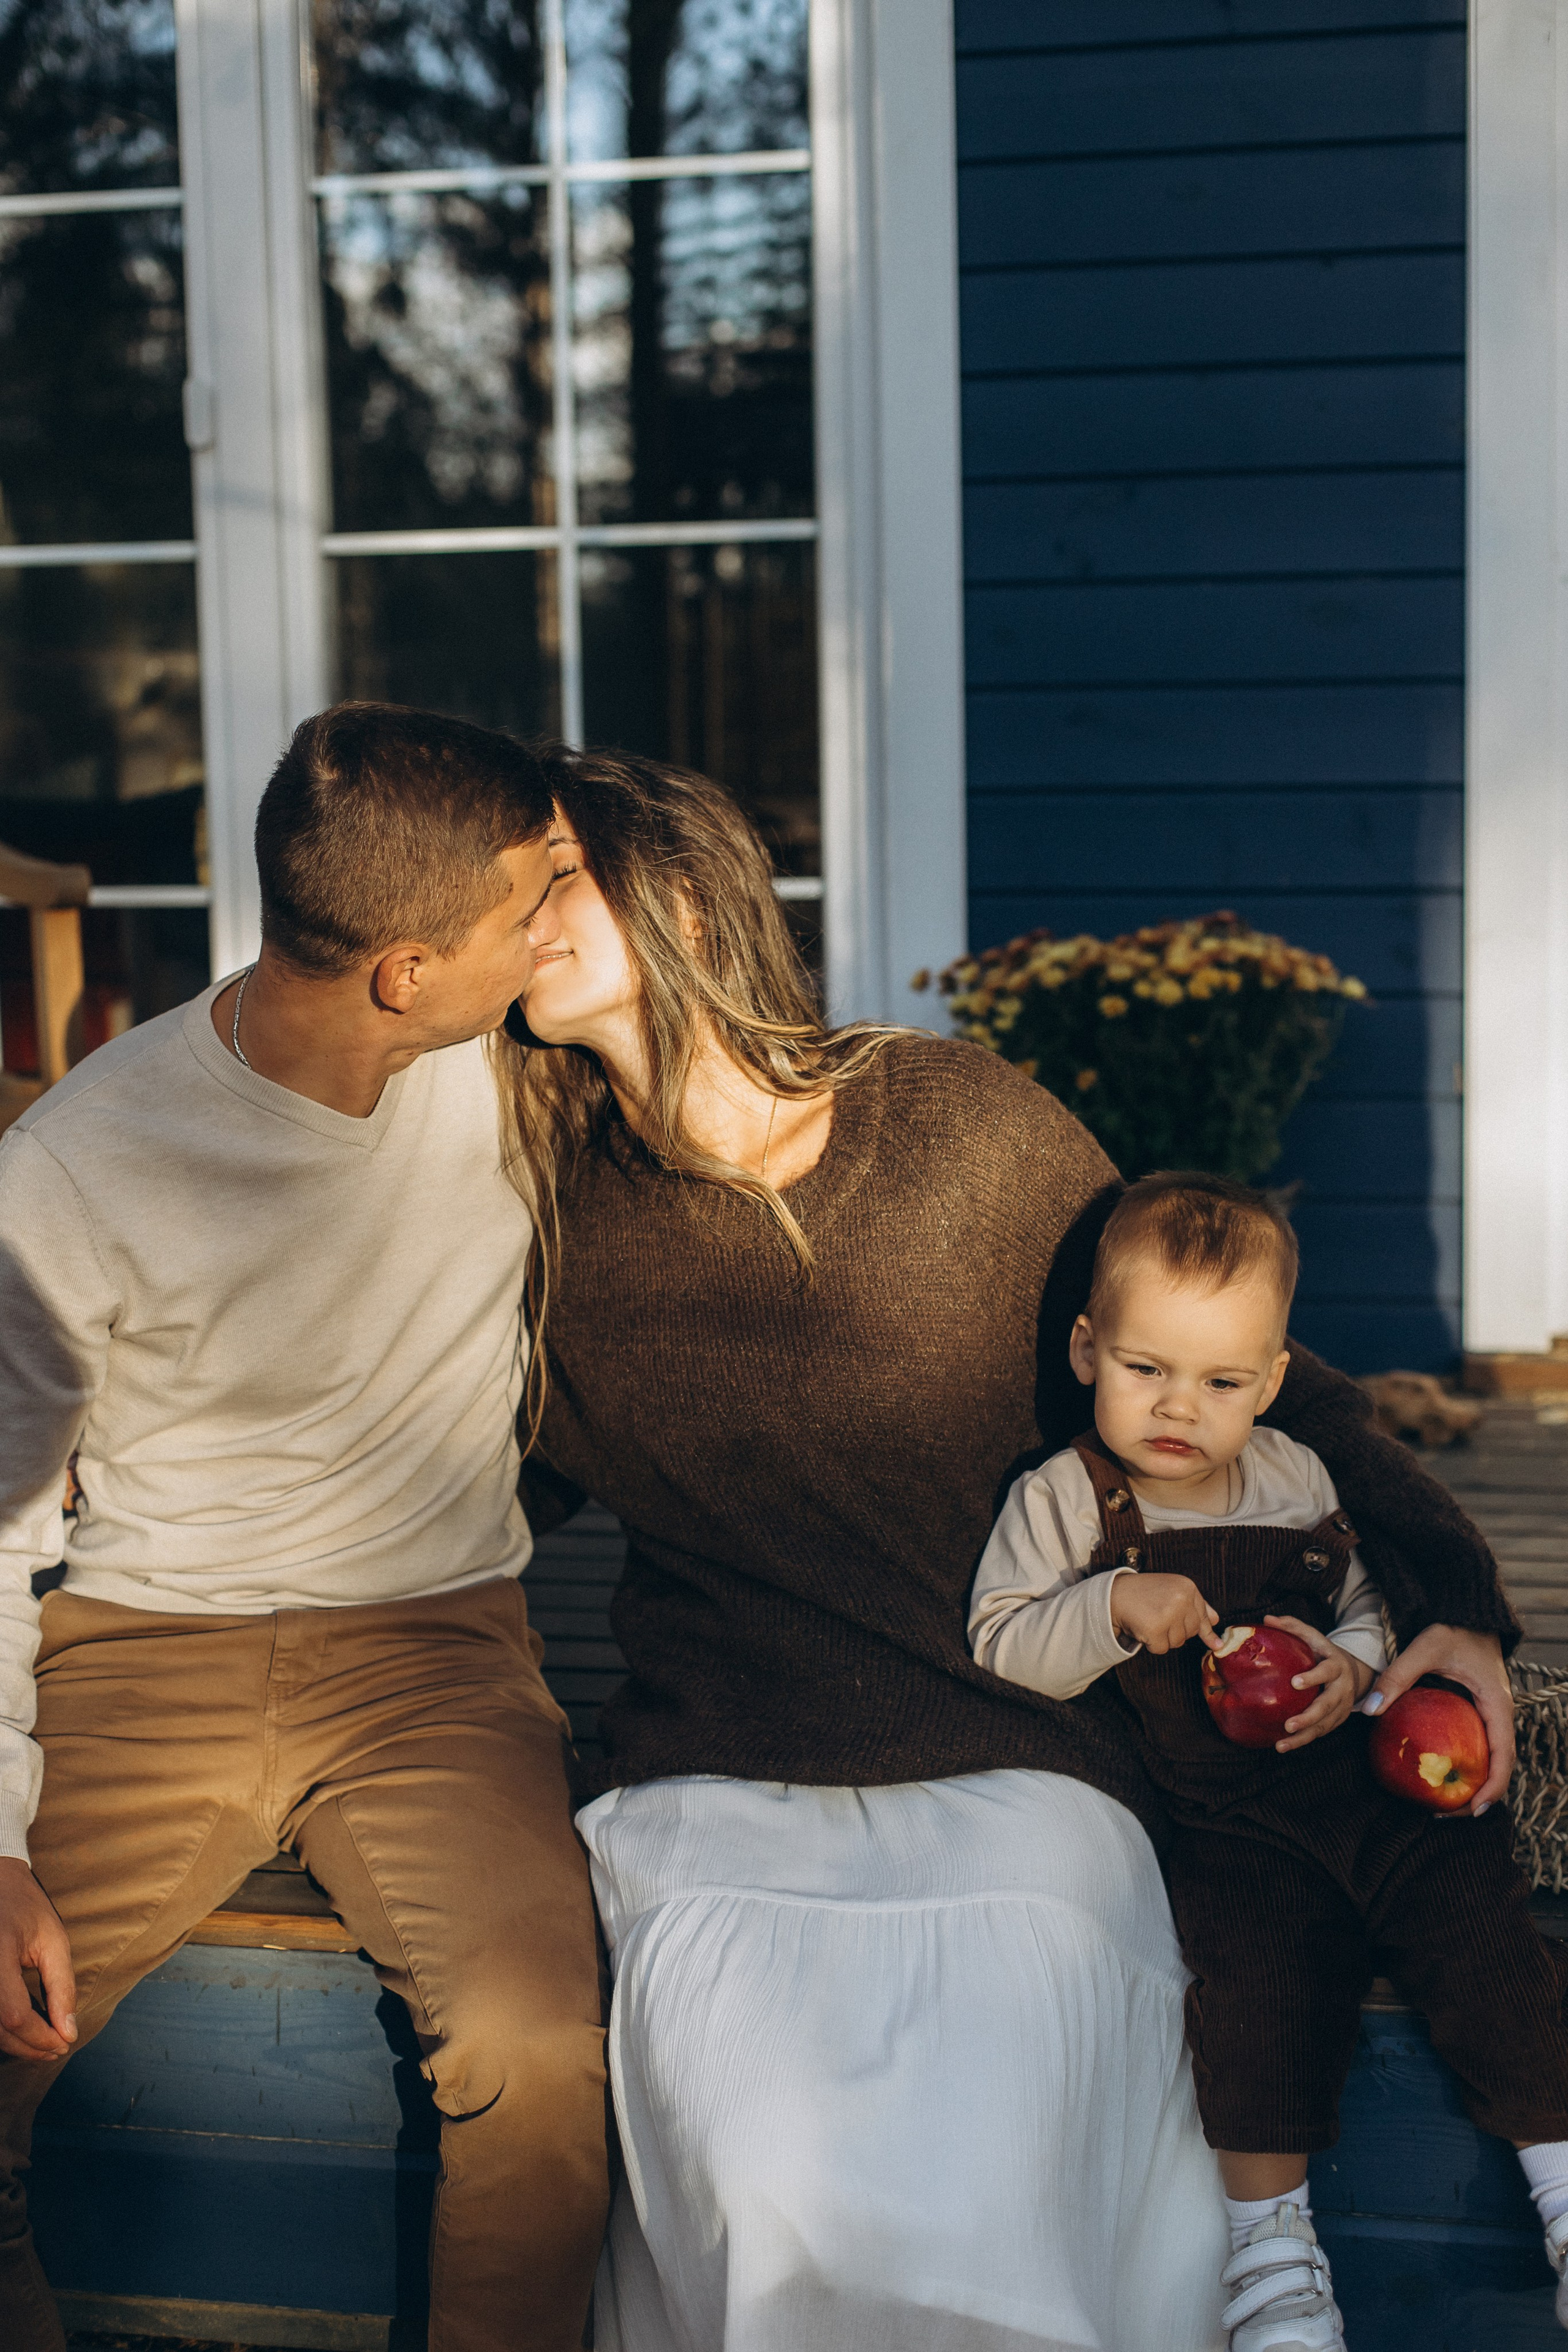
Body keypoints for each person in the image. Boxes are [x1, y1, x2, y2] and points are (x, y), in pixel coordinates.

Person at [498, 744, 1520, 2352]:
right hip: (713, 1787)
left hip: (1020, 1753)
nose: (517, 912)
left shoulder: (951, 1124)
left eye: (553, 870)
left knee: (995, 2155)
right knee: (768, 2176)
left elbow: (1256, 1377)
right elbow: (451, 1497)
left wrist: (1456, 1600)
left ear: (680, 887)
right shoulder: (542, 1223)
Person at [0, 704, 609, 2352]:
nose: (551, 934)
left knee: (539, 2050)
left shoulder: (515, 1064)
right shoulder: (72, 1167)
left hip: (436, 1656)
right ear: (401, 968)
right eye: (521, 910)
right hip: (138, 1657)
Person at [968, 1172, 1568, 2352]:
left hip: (1365, 1785)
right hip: (1221, 1822)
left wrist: (1351, 1666)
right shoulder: (1067, 1501)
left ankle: (1559, 2176)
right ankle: (1274, 2255)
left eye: (1223, 1382)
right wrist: (1111, 1608)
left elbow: (1357, 1600)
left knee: (1479, 1921)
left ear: (1274, 1381)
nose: (1179, 1408)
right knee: (1248, 1992)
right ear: (1089, 1351)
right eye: (1147, 1370)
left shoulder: (1296, 1475)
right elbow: (1001, 1639)